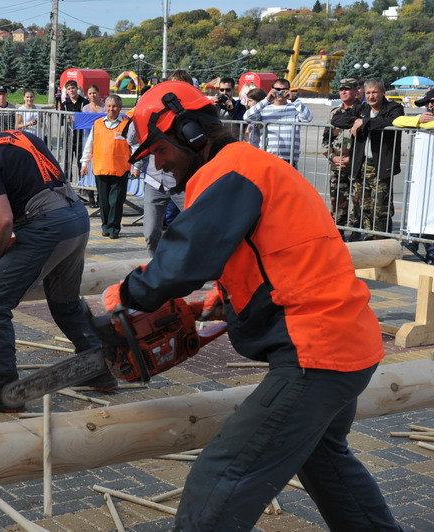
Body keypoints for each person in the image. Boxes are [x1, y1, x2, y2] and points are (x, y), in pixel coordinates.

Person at [104, 81, 400, 530]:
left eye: (160, 151)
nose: (159, 164)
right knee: (326, 462)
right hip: (344, 342)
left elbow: (182, 260)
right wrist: (219, 302)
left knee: (221, 478)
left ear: (189, 132)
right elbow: (271, 253)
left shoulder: (229, 172)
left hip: (314, 352)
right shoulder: (252, 167)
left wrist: (121, 302)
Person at [0, 105, 117, 413]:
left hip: (47, 228)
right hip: (76, 220)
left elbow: (2, 220)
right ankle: (97, 366)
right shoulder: (22, 136)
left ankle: (3, 391)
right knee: (65, 301)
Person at [331, 78, 404, 238]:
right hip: (361, 166)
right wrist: (356, 120)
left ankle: (382, 243)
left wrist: (364, 122)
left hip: (381, 166)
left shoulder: (394, 108)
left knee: (380, 210)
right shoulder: (361, 108)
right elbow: (337, 119)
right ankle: (367, 242)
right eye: (368, 93)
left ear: (383, 92)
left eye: (375, 92)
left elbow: (391, 121)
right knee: (363, 208)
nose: (371, 96)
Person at [80, 95, 134, 239]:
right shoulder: (97, 124)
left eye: (115, 106)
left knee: (116, 202)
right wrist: (84, 163)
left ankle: (114, 229)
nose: (111, 109)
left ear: (120, 108)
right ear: (105, 108)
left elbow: (135, 146)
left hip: (120, 169)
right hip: (101, 168)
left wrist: (137, 167)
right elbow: (89, 145)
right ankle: (105, 226)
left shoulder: (127, 124)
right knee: (103, 201)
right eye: (109, 106)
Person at [393, 89, 434, 262]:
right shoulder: (423, 118)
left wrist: (421, 123)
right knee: (423, 206)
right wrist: (418, 120)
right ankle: (421, 243)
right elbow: (397, 120)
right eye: (428, 102)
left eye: (433, 102)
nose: (430, 105)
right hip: (425, 176)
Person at [243, 77, 313, 167]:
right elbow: (247, 117)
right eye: (278, 89)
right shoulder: (264, 109)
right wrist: (266, 100)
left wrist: (295, 100)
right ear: (272, 90)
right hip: (268, 158)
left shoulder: (295, 107)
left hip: (290, 160)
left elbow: (308, 118)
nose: (280, 92)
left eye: (284, 89)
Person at [323, 78, 360, 236]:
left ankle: (356, 232)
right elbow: (325, 140)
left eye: (348, 89)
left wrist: (353, 158)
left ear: (356, 91)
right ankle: (338, 233)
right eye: (341, 89)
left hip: (357, 164)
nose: (344, 92)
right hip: (337, 165)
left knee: (358, 200)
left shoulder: (362, 111)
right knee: (337, 200)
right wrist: (332, 157)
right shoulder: (334, 113)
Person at [59, 80, 89, 179]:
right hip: (69, 137)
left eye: (73, 88)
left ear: (77, 88)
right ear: (66, 91)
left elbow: (86, 119)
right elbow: (61, 121)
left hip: (81, 138)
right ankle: (69, 185)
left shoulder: (84, 102)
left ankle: (83, 185)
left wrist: (76, 119)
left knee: (82, 163)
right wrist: (66, 119)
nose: (71, 90)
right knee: (67, 163)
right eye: (69, 89)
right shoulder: (64, 105)